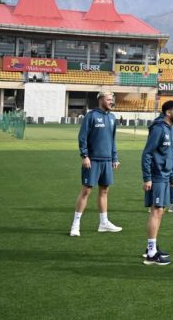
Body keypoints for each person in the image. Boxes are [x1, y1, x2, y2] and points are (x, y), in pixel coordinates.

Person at [71, 91, 122, 236]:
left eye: (112, 99)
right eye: (108, 99)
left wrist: (115, 158)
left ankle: (104, 223)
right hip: (92, 160)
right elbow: (82, 137)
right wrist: (84, 156)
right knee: (86, 191)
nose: (111, 101)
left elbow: (112, 140)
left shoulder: (112, 118)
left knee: (104, 190)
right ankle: (75, 224)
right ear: (100, 100)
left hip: (107, 160)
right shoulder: (91, 116)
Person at [141, 100, 173, 265]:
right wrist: (147, 178)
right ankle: (151, 253)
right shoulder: (158, 128)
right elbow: (147, 154)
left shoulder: (170, 129)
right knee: (156, 212)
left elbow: (168, 154)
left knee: (160, 212)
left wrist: (172, 176)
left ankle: (152, 248)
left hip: (165, 176)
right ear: (168, 112)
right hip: (157, 176)